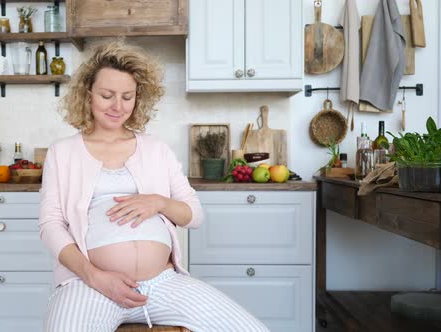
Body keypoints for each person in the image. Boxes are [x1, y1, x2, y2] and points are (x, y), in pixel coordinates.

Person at [39, 40, 270, 332]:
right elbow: (50, 225)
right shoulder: (63, 152)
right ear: (88, 94)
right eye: (107, 95)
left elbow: (194, 215)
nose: (117, 106)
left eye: (127, 96)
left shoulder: (156, 149)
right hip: (91, 284)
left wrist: (159, 202)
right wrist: (95, 276)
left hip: (162, 284)